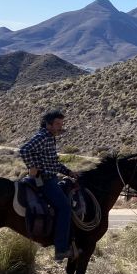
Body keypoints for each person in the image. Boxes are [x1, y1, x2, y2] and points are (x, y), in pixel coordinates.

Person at [19, 110, 79, 260]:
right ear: (48, 124)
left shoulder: (51, 138)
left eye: (61, 124)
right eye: (57, 124)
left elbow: (54, 163)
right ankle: (60, 249)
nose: (60, 127)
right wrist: (32, 166)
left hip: (51, 177)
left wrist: (69, 173)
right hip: (45, 180)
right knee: (64, 208)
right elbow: (24, 149)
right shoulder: (43, 137)